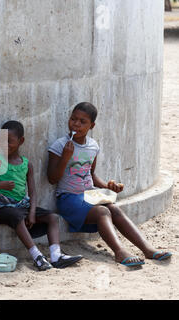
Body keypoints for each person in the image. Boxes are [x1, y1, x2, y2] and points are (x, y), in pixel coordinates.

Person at [47, 102, 173, 267]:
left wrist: (107, 186)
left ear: (92, 126)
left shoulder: (93, 146)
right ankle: (119, 252)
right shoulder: (60, 145)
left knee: (114, 208)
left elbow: (90, 175)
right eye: (73, 119)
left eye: (82, 121)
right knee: (102, 211)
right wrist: (65, 157)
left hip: (88, 195)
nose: (76, 124)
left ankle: (147, 249)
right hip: (68, 198)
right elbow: (52, 178)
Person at [0, 120, 83, 271]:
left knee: (53, 217)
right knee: (17, 216)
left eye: (9, 141)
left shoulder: (26, 164)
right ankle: (37, 256)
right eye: (2, 141)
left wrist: (33, 212)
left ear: (21, 141)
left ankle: (56, 255)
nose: (5, 145)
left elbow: (33, 192)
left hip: (22, 204)